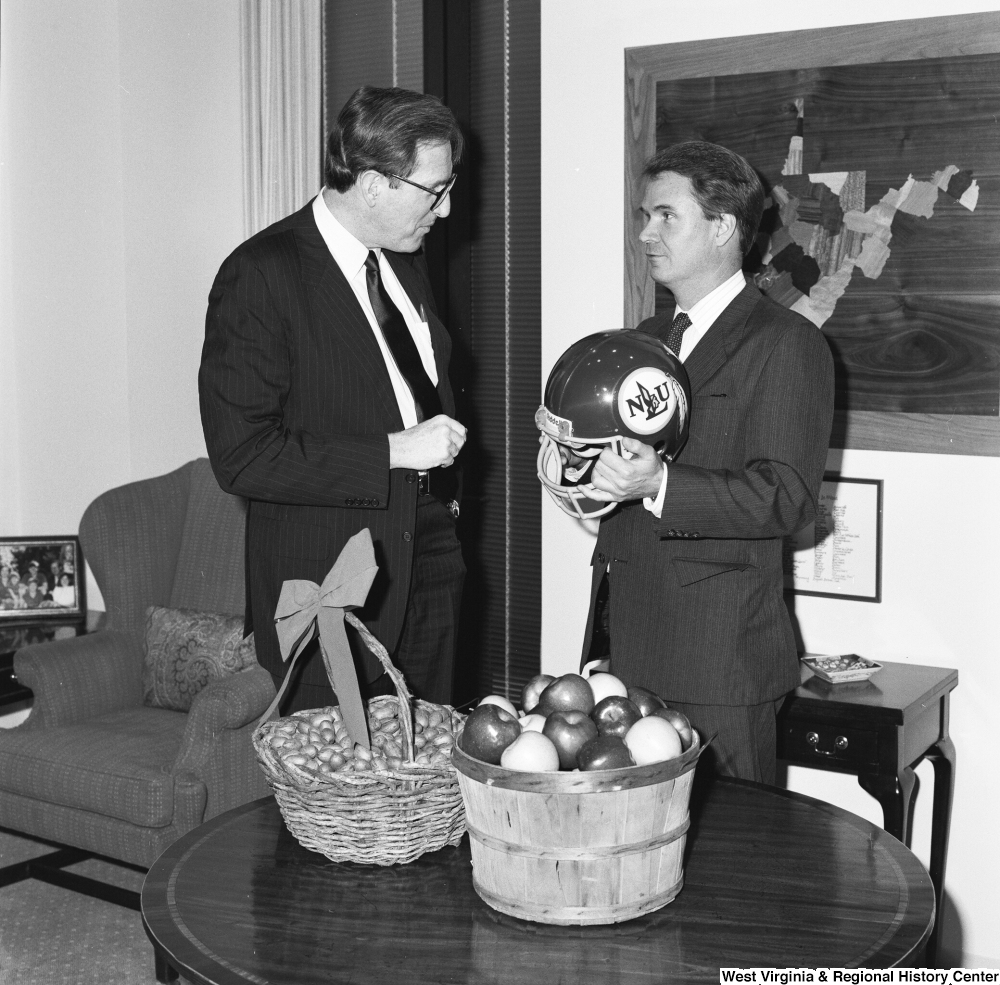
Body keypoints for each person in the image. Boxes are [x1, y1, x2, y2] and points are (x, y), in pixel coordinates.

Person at [200, 86, 467, 714]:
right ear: (375, 185)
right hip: (330, 574)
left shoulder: (403, 259)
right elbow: (241, 456)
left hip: (430, 557)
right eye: (435, 190)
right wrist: (393, 453)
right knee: (336, 798)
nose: (447, 209)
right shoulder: (261, 272)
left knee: (425, 777)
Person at [581, 141, 835, 784]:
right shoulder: (645, 340)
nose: (645, 233)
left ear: (723, 227)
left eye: (666, 216)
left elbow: (788, 496)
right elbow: (620, 476)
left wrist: (661, 482)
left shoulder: (788, 343)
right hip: (625, 644)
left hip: (719, 660)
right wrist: (576, 463)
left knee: (730, 855)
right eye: (645, 215)